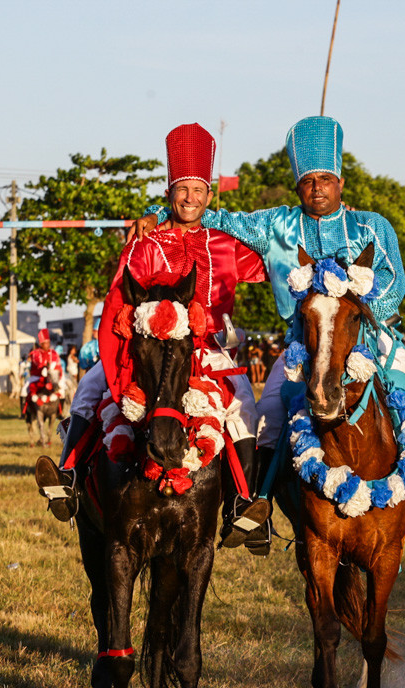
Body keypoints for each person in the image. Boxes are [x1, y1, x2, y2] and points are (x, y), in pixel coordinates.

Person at [131, 116, 405, 553]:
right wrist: (157, 212)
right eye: (307, 181)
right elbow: (212, 214)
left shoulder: (373, 227)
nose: (316, 187)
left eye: (325, 179)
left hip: (373, 342)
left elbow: (395, 286)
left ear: (341, 180)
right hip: (301, 348)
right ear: (297, 187)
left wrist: (352, 305)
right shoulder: (275, 226)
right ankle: (254, 510)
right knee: (265, 418)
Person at [37, 121, 271, 552]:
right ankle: (67, 480)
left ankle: (243, 506)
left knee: (245, 404)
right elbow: (122, 295)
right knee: (90, 389)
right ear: (169, 193)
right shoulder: (147, 240)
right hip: (150, 349)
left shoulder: (226, 244)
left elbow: (270, 259)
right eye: (182, 189)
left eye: (199, 190)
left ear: (209, 197)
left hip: (211, 350)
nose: (190, 198)